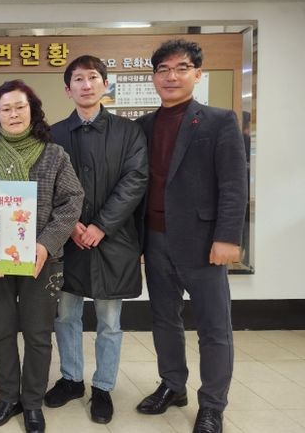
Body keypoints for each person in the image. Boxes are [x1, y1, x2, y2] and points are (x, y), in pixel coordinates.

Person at [134, 39, 247, 433]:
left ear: (198, 74)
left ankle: (212, 404)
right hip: (155, 239)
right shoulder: (143, 127)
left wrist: (228, 237)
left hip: (203, 242)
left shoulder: (219, 121)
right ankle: (172, 385)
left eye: (181, 68)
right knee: (164, 319)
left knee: (214, 327)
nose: (172, 76)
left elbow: (233, 183)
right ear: (153, 77)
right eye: (163, 70)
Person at [0, 80, 84, 433]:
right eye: (6, 108)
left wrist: (45, 243)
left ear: (32, 110)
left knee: (37, 334)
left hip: (42, 260)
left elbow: (71, 202)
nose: (14, 114)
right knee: (2, 332)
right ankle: (9, 398)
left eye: (20, 107)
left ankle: (32, 402)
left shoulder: (54, 154)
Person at [45, 56, 148, 424]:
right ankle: (71, 379)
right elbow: (46, 184)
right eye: (78, 79)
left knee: (109, 320)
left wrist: (101, 225)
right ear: (67, 89)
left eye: (93, 77)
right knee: (65, 315)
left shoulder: (129, 132)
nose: (86, 85)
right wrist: (71, 224)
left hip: (113, 239)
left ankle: (103, 387)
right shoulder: (54, 134)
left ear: (106, 84)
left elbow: (135, 180)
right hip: (67, 240)